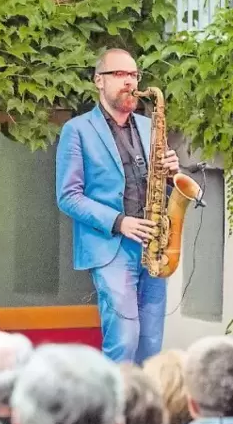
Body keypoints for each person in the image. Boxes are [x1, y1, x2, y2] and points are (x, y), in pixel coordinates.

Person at [55, 48, 180, 365]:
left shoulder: (151, 126)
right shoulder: (78, 130)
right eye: (120, 74)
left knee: (151, 342)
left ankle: (144, 413)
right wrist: (120, 221)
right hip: (112, 245)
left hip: (154, 244)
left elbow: (160, 185)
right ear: (99, 80)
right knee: (123, 340)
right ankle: (113, 411)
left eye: (134, 75)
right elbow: (68, 195)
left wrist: (173, 174)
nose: (130, 82)